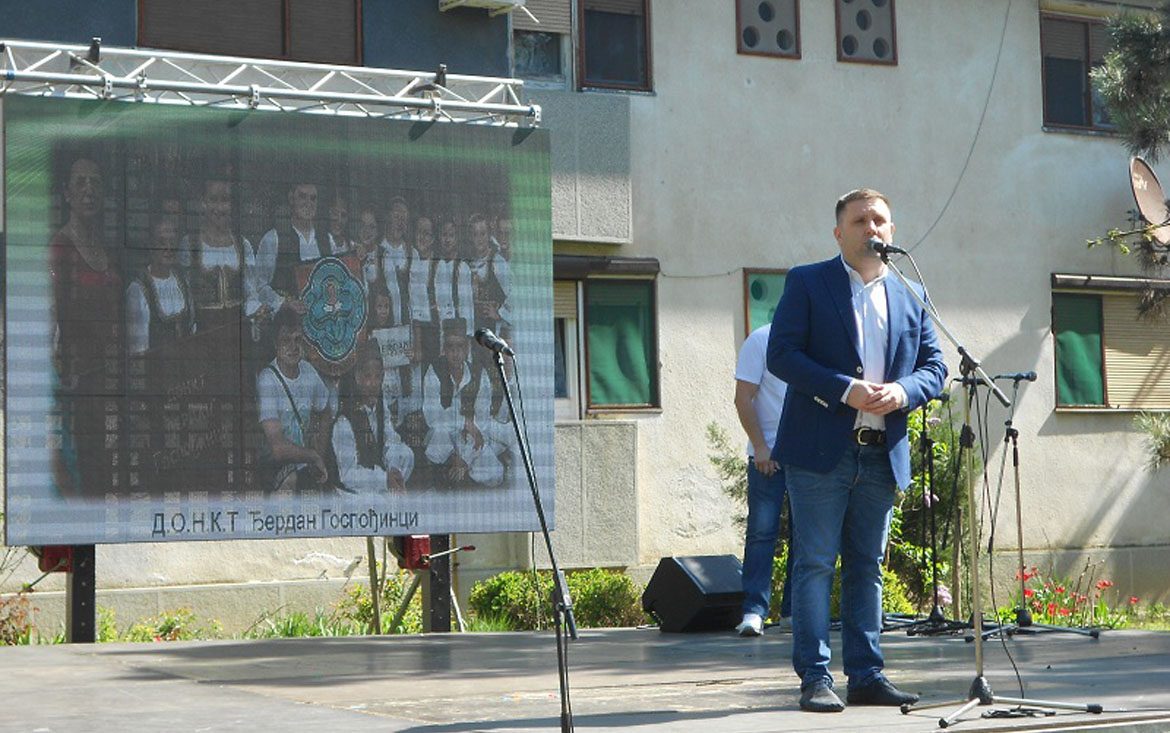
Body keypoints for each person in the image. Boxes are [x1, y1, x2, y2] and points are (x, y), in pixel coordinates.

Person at [767, 188, 946, 713]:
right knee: (816, 564)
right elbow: (782, 355)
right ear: (838, 232)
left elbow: (935, 367)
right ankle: (815, 678)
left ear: (892, 232)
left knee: (866, 567)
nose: (872, 228)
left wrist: (903, 392)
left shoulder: (911, 293)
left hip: (881, 451)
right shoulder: (808, 282)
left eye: (881, 221)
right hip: (821, 451)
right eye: (860, 220)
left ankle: (866, 676)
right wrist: (845, 389)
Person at [50, 157, 123, 497]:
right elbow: (52, 317)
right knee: (82, 467)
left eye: (95, 182)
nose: (89, 190)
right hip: (76, 382)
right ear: (66, 193)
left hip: (105, 378)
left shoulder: (104, 246)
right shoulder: (60, 248)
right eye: (80, 182)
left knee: (104, 467)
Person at [733, 323, 792, 637]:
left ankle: (794, 613)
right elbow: (742, 398)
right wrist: (760, 446)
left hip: (808, 457)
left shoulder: (815, 338)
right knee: (761, 533)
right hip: (767, 453)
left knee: (807, 536)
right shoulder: (761, 340)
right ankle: (754, 611)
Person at [257, 308, 333, 492]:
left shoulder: (308, 371)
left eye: (297, 339)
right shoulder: (268, 379)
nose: (293, 347)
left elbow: (326, 411)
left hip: (305, 461)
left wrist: (320, 452)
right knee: (289, 481)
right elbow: (277, 448)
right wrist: (313, 456)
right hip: (275, 466)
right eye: (286, 341)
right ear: (275, 343)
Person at [332, 341, 414, 493]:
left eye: (378, 377)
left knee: (405, 453)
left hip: (378, 476)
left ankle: (395, 488)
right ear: (357, 377)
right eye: (368, 376)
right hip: (351, 490)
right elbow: (348, 475)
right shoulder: (344, 420)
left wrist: (393, 470)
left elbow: (391, 439)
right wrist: (384, 479)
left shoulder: (380, 405)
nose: (373, 383)